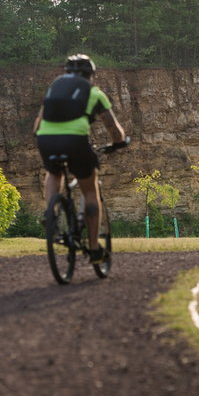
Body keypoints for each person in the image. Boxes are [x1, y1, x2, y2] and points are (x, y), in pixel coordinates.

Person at [33, 54, 127, 264]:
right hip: (75, 141)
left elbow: (38, 123)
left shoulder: (54, 87)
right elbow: (113, 128)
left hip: (46, 139)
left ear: (66, 73)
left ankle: (51, 213)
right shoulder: (94, 92)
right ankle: (94, 248)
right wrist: (119, 142)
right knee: (90, 190)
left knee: (54, 171)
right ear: (91, 75)